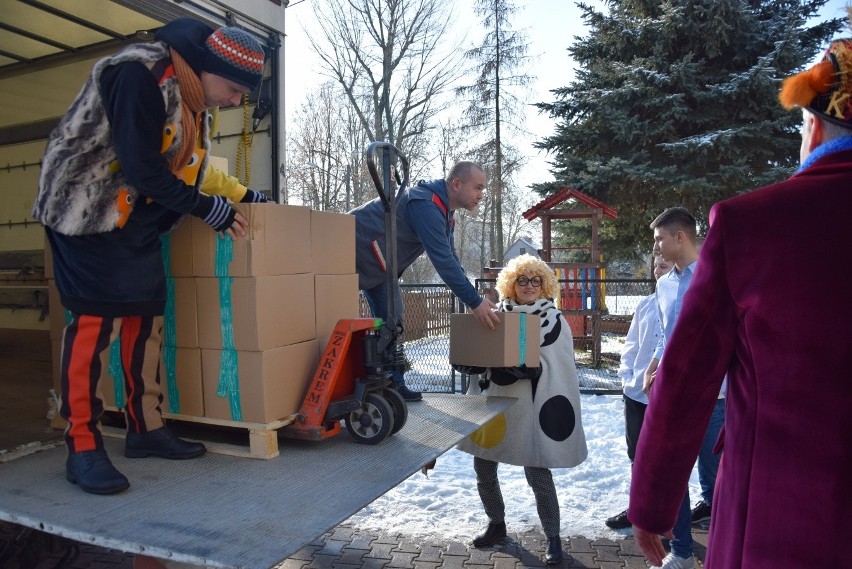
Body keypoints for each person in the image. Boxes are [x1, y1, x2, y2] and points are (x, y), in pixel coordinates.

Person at [628, 30, 852, 569]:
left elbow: (686, 376)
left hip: (780, 516)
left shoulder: (751, 224)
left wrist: (652, 503)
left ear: (815, 127)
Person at [32, 18, 269, 495]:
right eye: (232, 88)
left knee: (145, 314)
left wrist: (226, 198)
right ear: (205, 68)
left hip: (134, 209)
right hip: (83, 205)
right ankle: (81, 443)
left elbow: (189, 166)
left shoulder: (193, 95)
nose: (234, 101)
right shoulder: (137, 75)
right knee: (95, 320)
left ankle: (145, 427)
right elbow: (141, 164)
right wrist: (209, 210)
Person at [453, 254, 588, 566]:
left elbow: (558, 365)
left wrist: (532, 369)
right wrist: (470, 360)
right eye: (522, 280)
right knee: (484, 468)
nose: (529, 285)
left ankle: (553, 537)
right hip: (496, 405)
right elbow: (480, 350)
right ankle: (496, 525)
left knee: (538, 471)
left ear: (544, 285)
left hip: (531, 407)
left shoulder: (553, 319)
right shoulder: (494, 315)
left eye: (535, 280)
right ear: (511, 284)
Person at [350, 161, 500, 401]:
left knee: (393, 319)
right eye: (478, 188)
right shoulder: (426, 206)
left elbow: (452, 257)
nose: (481, 196)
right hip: (349, 252)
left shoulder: (444, 212)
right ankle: (356, 381)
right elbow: (443, 262)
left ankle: (391, 384)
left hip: (379, 271)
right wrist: (473, 302)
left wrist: (473, 300)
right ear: (456, 184)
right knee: (334, 323)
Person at [638, 208, 725, 569]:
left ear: (680, 237)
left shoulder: (717, 277)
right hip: (673, 394)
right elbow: (665, 333)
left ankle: (723, 553)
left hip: (714, 396)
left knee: (717, 482)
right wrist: (653, 364)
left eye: (659, 239)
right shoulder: (664, 284)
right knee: (673, 475)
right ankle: (684, 552)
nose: (655, 246)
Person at [605, 253, 673, 530]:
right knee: (638, 454)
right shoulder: (645, 305)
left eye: (665, 266)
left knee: (666, 457)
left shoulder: (686, 305)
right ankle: (638, 507)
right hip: (636, 394)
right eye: (656, 266)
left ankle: (666, 514)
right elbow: (631, 344)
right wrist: (627, 377)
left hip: (668, 397)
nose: (659, 271)